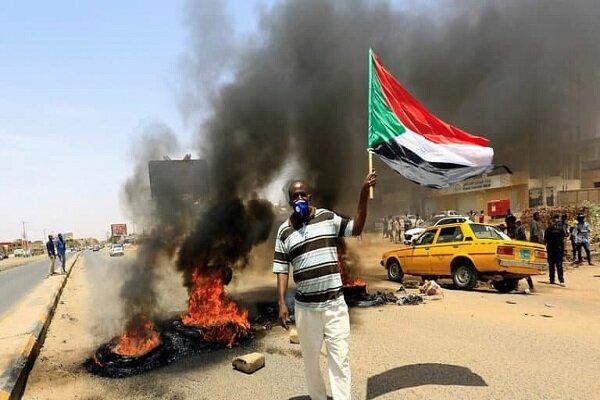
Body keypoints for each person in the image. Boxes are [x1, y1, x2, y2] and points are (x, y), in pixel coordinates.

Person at [273, 171, 377, 400]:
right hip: (306, 310)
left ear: (309, 197)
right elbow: (281, 269)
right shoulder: (284, 231)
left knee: (340, 360)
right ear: (289, 201)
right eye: (295, 196)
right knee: (310, 362)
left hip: (334, 306)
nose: (299, 199)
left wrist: (363, 194)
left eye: (303, 194)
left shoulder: (327, 217)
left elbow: (356, 228)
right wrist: (281, 302)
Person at [545, 215, 566, 286]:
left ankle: (561, 280)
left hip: (558, 249)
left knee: (559, 264)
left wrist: (564, 249)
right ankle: (552, 279)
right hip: (551, 249)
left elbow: (564, 238)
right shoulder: (548, 229)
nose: (555, 223)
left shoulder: (561, 229)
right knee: (552, 265)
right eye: (554, 221)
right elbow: (545, 240)